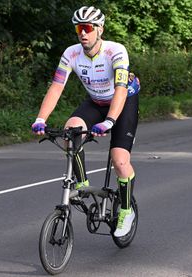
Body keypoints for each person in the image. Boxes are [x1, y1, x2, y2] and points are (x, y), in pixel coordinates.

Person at [31, 6, 140, 237]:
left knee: (119, 160)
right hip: (95, 101)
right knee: (72, 129)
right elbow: (57, 87)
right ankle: (81, 185)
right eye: (79, 28)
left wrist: (110, 121)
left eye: (88, 28)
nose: (83, 33)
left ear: (100, 29)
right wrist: (41, 118)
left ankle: (126, 210)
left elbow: (120, 89)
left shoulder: (116, 51)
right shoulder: (71, 54)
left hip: (123, 100)